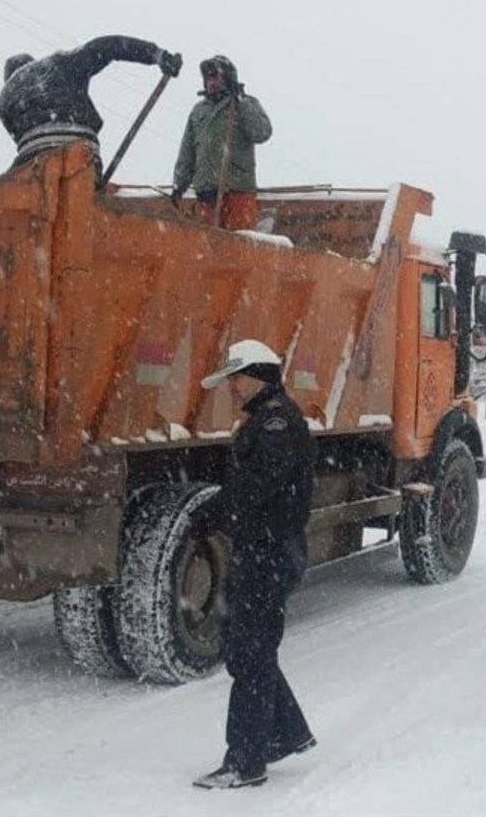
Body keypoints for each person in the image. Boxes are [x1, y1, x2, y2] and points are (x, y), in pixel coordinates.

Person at [191, 339, 317, 790]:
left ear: (260, 375)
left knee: (251, 650)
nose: (231, 387)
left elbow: (256, 486)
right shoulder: (266, 419)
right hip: (258, 550)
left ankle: (245, 762)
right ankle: (284, 732)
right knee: (245, 646)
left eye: (236, 378)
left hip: (271, 553)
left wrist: (210, 514)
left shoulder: (277, 423)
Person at [0, 36, 182, 174]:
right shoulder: (60, 63)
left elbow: (19, 138)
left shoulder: (4, 99)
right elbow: (110, 46)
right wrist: (157, 55)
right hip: (80, 149)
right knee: (84, 194)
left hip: (31, 160)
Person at [172, 55, 272, 229]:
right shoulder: (198, 111)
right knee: (208, 248)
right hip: (206, 194)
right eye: (208, 77)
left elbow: (261, 133)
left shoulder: (245, 104)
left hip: (238, 191)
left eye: (216, 76)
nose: (211, 82)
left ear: (228, 77)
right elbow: (187, 152)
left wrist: (241, 99)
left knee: (240, 244)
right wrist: (179, 184)